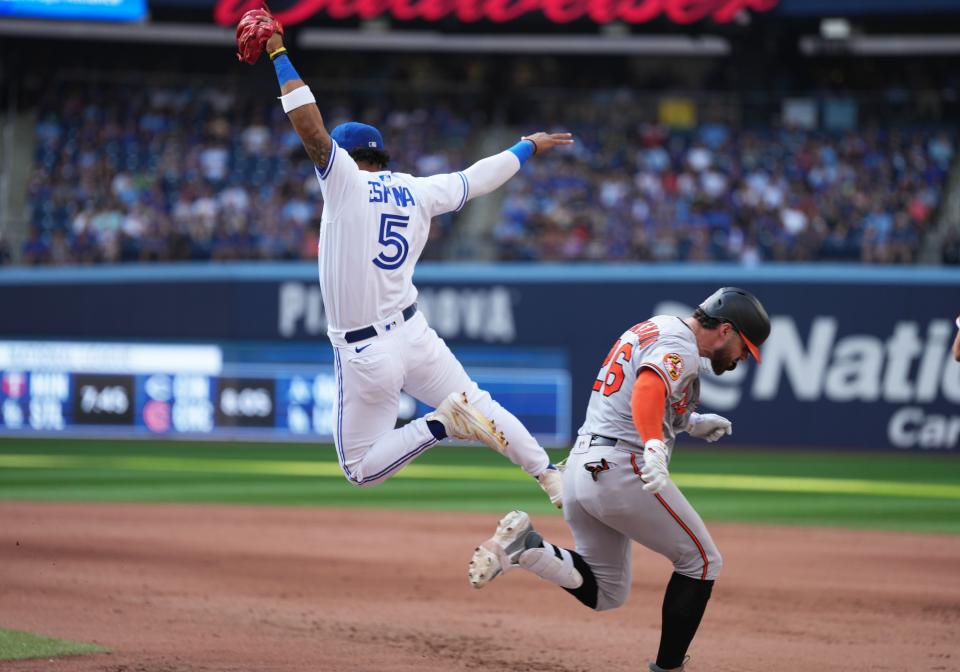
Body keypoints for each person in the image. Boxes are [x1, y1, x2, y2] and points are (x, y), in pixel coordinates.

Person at [238, 9, 571, 504]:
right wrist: (526, 148)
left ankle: (438, 426)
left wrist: (278, 54)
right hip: (412, 332)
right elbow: (478, 178)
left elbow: (310, 130)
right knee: (478, 401)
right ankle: (549, 474)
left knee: (360, 468)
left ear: (348, 159)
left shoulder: (344, 183)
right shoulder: (417, 190)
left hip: (365, 350)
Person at [467, 287, 771, 672]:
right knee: (702, 561)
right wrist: (653, 446)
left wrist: (691, 423)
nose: (745, 357)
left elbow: (643, 393)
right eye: (746, 347)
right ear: (726, 329)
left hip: (581, 469)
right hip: (618, 466)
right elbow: (648, 387)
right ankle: (669, 668)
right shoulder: (680, 345)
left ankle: (527, 548)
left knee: (606, 592)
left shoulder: (658, 328)